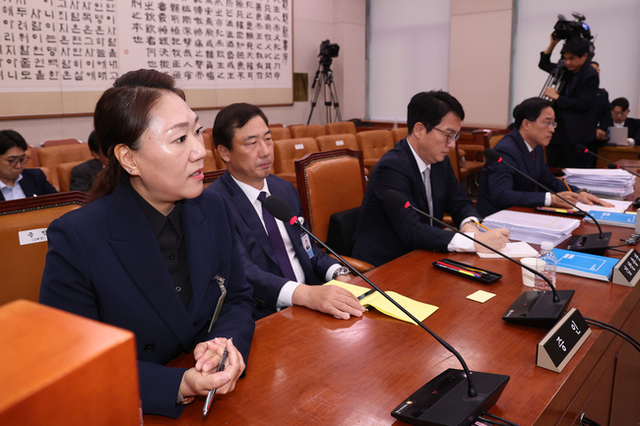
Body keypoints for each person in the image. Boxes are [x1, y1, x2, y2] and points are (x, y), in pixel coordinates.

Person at [39, 69, 255, 418]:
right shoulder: (78, 237)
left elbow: (239, 298)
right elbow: (72, 361)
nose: (200, 150)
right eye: (180, 139)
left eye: (197, 131)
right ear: (129, 158)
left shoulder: (212, 207)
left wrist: (225, 348)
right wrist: (177, 385)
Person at [207, 103, 365, 321]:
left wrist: (337, 273)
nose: (265, 151)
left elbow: (309, 250)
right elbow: (244, 272)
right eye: (252, 143)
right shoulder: (214, 204)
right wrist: (305, 294)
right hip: (265, 314)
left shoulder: (284, 190)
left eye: (268, 139)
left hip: (313, 303)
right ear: (225, 152)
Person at [351, 91, 510, 267]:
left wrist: (470, 226)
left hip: (424, 256)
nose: (452, 144)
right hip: (387, 266)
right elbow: (411, 230)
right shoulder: (391, 168)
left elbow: (460, 203)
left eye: (456, 136)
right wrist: (474, 242)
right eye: (448, 134)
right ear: (419, 129)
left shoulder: (439, 161)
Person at [477, 98, 612, 217]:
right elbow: (501, 195)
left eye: (553, 124)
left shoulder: (536, 147)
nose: (552, 129)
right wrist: (550, 199)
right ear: (526, 124)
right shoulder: (506, 150)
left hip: (522, 212)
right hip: (498, 218)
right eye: (547, 123)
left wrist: (578, 192)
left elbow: (546, 180)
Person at [539, 35, 599, 168]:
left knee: (573, 172)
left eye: (572, 58)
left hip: (576, 135)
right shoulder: (566, 70)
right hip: (557, 130)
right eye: (565, 59)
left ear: (584, 56)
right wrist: (552, 44)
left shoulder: (590, 75)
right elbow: (544, 64)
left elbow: (583, 104)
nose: (567, 63)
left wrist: (557, 97)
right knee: (552, 168)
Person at [0, 130, 57, 201]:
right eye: (11, 161)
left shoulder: (35, 177)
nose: (18, 166)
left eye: (22, 159)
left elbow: (60, 203)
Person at [590, 61, 613, 143]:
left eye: (598, 70)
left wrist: (602, 128)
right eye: (594, 69)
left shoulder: (603, 94)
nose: (597, 72)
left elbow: (607, 114)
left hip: (593, 136)